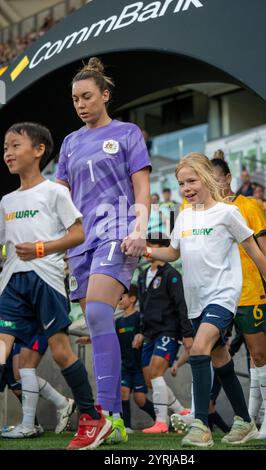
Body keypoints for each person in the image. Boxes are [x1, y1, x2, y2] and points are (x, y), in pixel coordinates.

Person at [129, 153, 266, 448]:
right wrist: (145, 251)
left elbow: (256, 253)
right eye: (181, 183)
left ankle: (200, 424)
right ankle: (244, 420)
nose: (186, 187)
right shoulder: (185, 215)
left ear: (208, 179)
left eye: (192, 180)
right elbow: (173, 253)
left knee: (200, 348)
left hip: (223, 296)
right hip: (195, 301)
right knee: (219, 358)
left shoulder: (228, 213)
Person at [56, 57, 151, 443]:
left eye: (87, 96)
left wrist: (142, 229)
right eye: (75, 98)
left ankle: (106, 414)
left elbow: (142, 187)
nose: (80, 104)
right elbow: (61, 195)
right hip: (81, 242)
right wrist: (58, 241)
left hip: (117, 229)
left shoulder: (128, 133)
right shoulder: (69, 142)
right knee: (97, 326)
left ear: (105, 95)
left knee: (97, 311)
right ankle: (115, 424)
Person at [0, 122, 109, 450]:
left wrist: (41, 248)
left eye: (15, 145)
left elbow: (79, 234)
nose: (8, 152)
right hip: (11, 283)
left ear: (39, 150)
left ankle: (92, 417)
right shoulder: (5, 201)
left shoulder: (55, 192)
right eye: (5, 147)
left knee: (61, 351)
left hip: (46, 280)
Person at [211, 156, 266, 439]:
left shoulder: (248, 206)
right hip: (223, 294)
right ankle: (264, 418)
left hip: (254, 291)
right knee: (250, 359)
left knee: (260, 357)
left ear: (229, 177)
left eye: (218, 179)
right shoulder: (207, 211)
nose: (215, 185)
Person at [133, 236, 193, 433]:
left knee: (156, 372)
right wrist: (141, 332)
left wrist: (187, 334)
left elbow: (181, 305)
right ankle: (182, 412)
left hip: (168, 331)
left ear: (162, 248)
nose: (147, 248)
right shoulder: (142, 275)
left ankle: (161, 423)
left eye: (151, 245)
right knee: (150, 380)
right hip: (149, 333)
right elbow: (142, 307)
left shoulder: (171, 274)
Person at [2, 334, 76, 438]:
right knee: (17, 384)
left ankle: (29, 425)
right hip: (15, 329)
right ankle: (33, 423)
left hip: (23, 329)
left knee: (22, 373)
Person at [115, 284, 156, 435]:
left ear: (132, 299)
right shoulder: (118, 322)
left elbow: (147, 334)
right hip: (125, 365)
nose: (119, 300)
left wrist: (142, 337)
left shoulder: (139, 318)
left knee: (140, 400)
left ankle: (159, 420)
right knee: (123, 393)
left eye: (122, 296)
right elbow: (113, 340)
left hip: (138, 367)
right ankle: (126, 426)